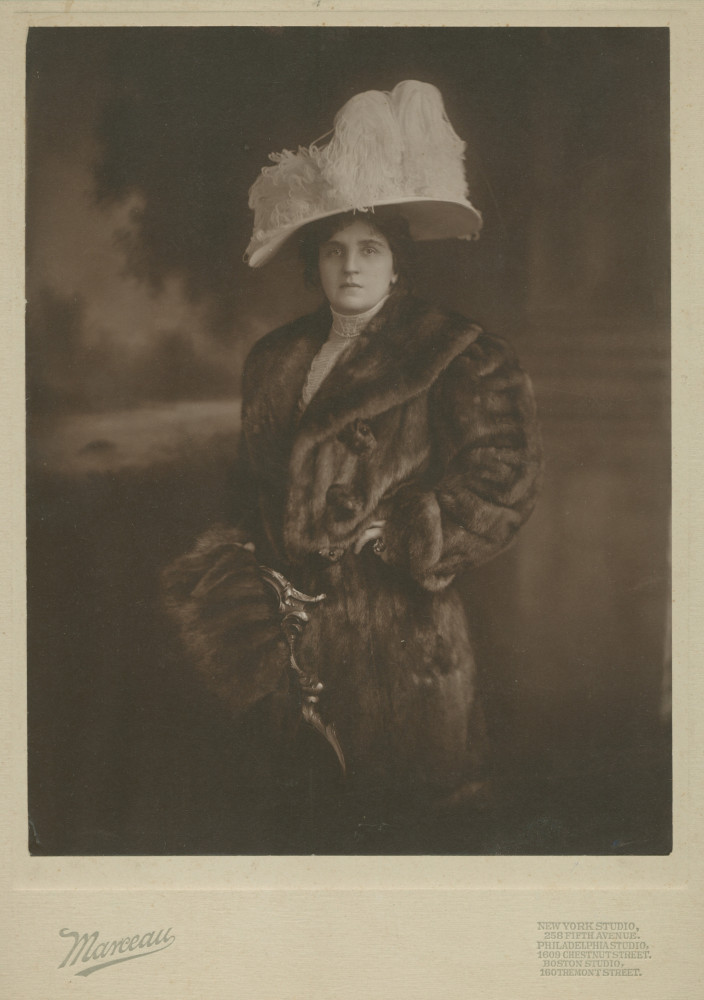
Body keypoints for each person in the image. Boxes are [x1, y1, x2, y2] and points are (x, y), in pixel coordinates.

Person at [164, 81, 542, 853]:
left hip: (402, 648)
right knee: (301, 840)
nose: (351, 265)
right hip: (289, 653)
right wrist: (238, 592)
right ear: (314, 264)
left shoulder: (454, 351)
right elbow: (249, 494)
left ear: (398, 264)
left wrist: (415, 527)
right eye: (334, 250)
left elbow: (505, 474)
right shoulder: (273, 362)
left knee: (407, 845)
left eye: (370, 248)